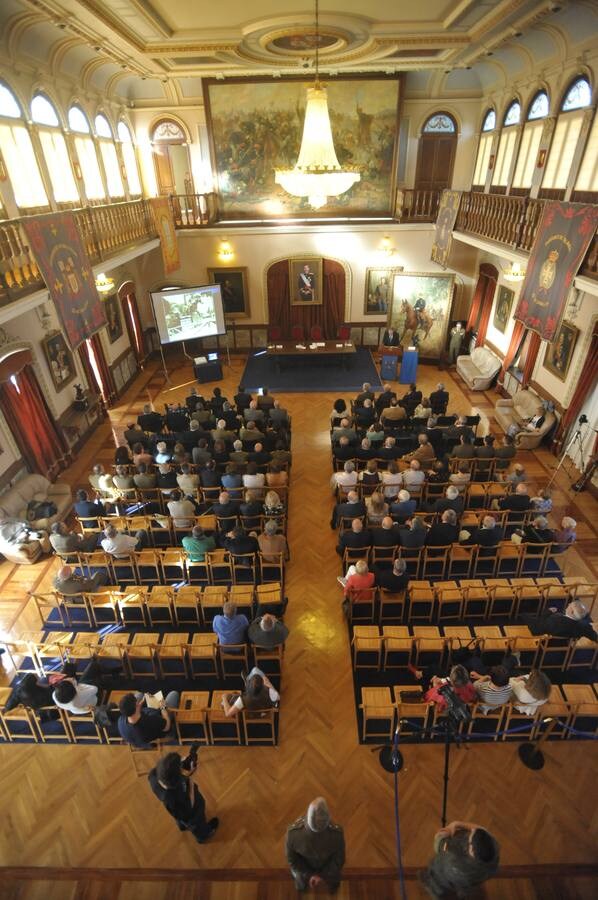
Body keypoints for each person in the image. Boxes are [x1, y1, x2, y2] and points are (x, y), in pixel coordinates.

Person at [148, 751, 218, 844]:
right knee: (195, 823)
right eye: (179, 768)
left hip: (178, 811)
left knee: (180, 819)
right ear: (176, 778)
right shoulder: (174, 796)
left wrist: (188, 770)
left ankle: (182, 826)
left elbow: (170, 771)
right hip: (191, 812)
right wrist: (191, 785)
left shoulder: (153, 775)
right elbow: (190, 807)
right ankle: (203, 835)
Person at [422, 820, 499, 898]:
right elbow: (480, 830)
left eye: (470, 839)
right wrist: (457, 824)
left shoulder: (456, 862)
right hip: (474, 879)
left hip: (447, 880)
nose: (471, 831)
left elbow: (439, 843)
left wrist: (443, 835)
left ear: (471, 850)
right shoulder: (492, 849)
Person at [286, 797, 345, 894]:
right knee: (334, 882)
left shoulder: (293, 834)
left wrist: (310, 875)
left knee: (301, 884)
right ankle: (333, 890)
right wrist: (323, 875)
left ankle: (302, 891)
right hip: (330, 872)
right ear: (328, 817)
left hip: (303, 873)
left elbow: (292, 861)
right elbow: (339, 859)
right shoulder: (337, 833)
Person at [524, 600, 597, 641]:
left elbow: (541, 625)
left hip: (540, 633)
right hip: (561, 640)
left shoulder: (554, 620)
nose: (568, 604)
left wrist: (547, 612)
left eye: (570, 605)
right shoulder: (584, 627)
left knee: (524, 617)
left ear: (571, 612)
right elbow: (594, 636)